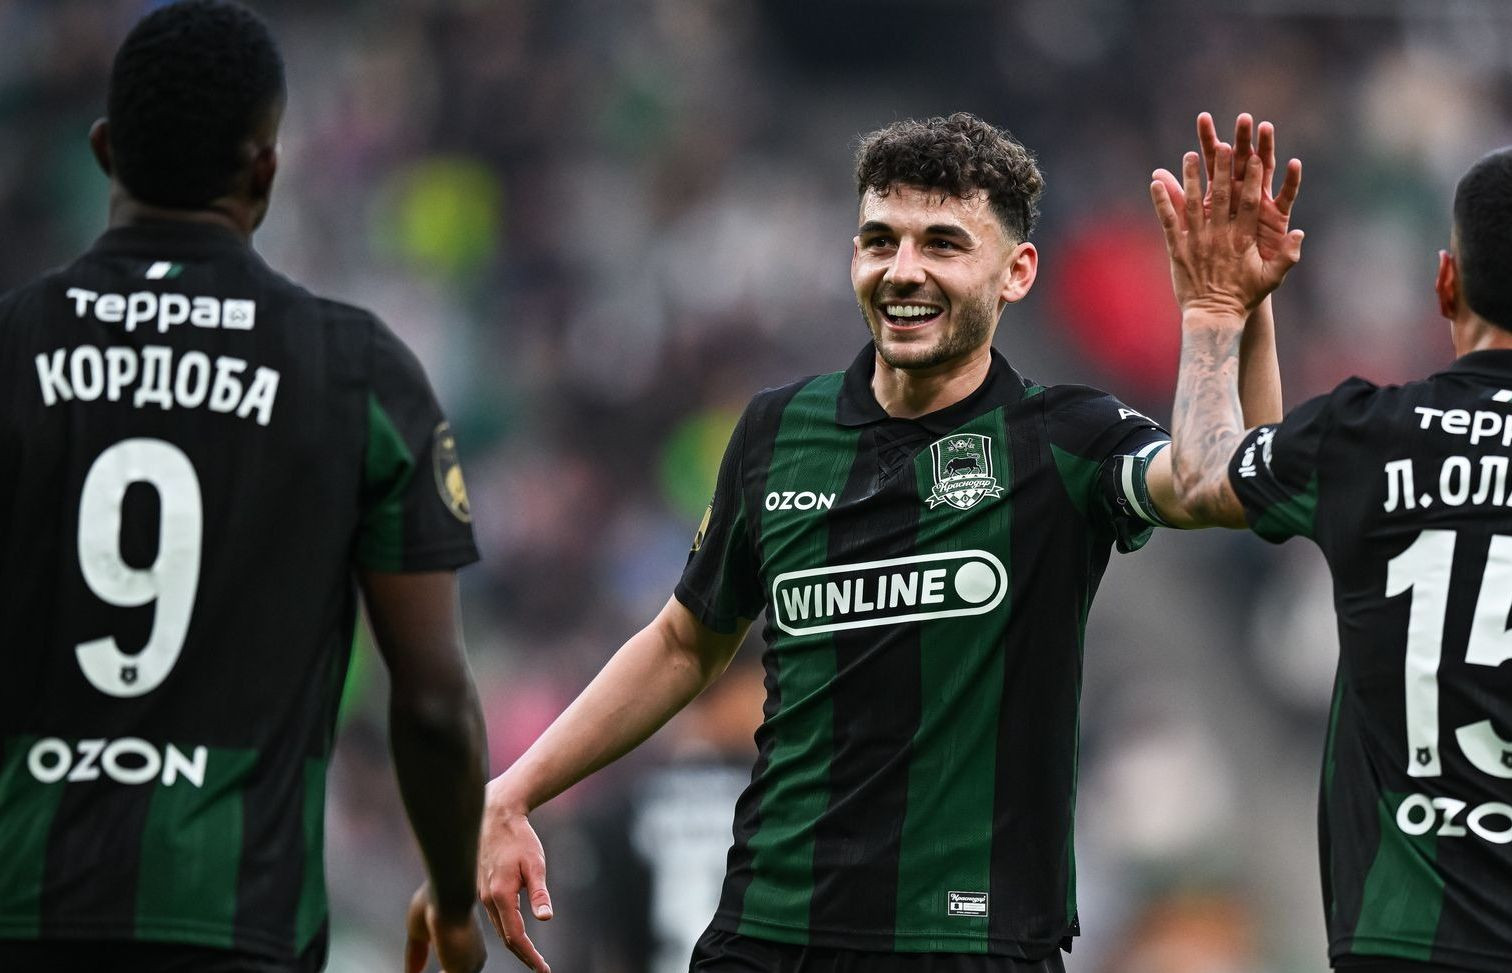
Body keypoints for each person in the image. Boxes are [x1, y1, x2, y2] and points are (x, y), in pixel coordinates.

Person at [477, 111, 1298, 973]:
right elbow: (686, 641)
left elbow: (1229, 487)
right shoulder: (776, 431)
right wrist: (518, 786)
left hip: (969, 943)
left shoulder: (1064, 439)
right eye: (881, 240)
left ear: (1016, 272)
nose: (904, 269)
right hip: (770, 935)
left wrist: (1226, 315)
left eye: (943, 244)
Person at [0, 3, 487, 972]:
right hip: (239, 924)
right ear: (265, 170)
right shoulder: (358, 373)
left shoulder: (11, 346)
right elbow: (433, 703)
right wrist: (454, 898)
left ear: (104, 151)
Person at [1154, 122, 1512, 969]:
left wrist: (1221, 311)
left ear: (1446, 282)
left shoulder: (1367, 437)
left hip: (1403, 941)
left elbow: (1207, 478)